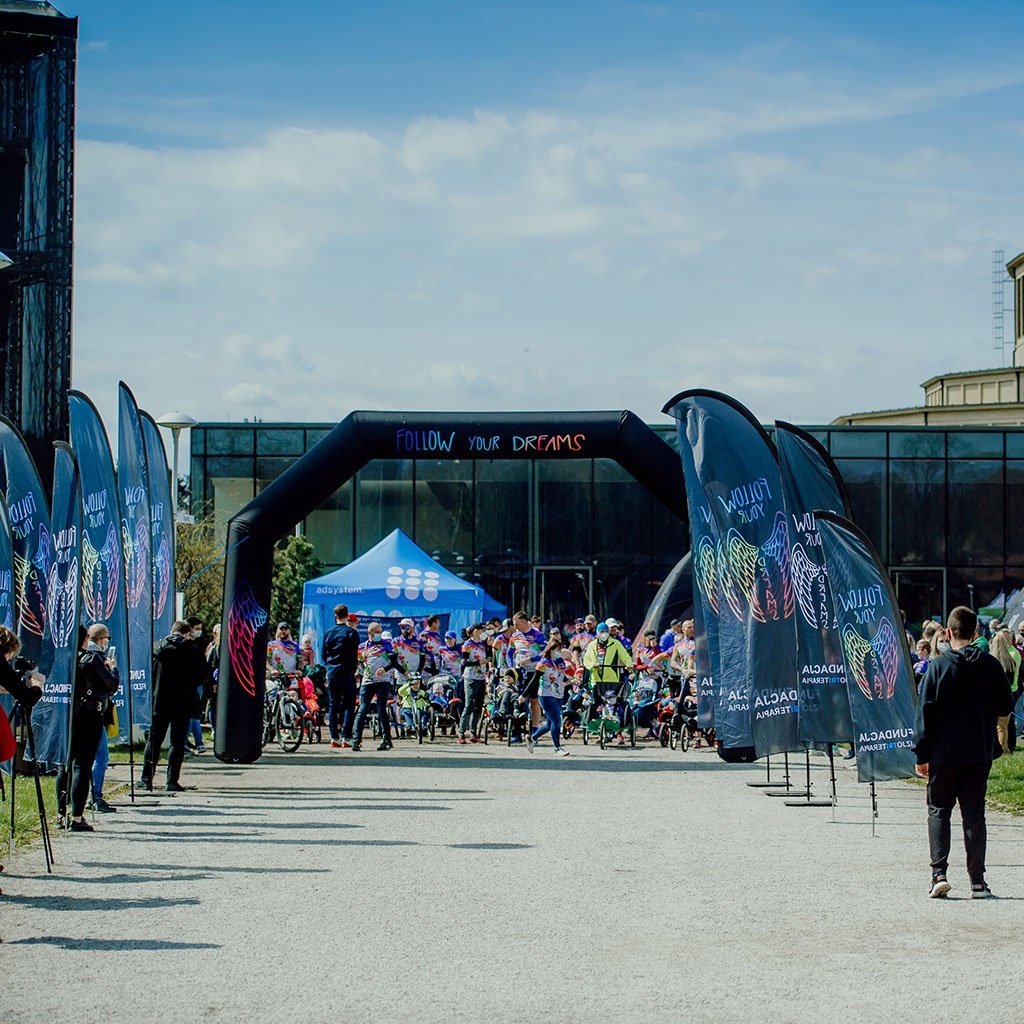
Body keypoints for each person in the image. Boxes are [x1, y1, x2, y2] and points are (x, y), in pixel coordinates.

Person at [913, 606, 1014, 899]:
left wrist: (921, 754)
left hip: (944, 752)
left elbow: (924, 713)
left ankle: (939, 874)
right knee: (974, 814)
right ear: (975, 632)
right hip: (978, 750)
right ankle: (978, 881)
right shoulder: (990, 665)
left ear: (947, 633)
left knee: (939, 810)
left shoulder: (938, 667)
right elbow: (1005, 705)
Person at [58, 624, 120, 830]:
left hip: (66, 715)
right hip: (89, 715)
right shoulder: (92, 659)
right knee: (82, 766)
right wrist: (113, 668)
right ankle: (76, 818)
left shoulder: (62, 657)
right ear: (85, 638)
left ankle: (61, 814)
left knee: (64, 765)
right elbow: (112, 685)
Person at [142, 620, 211, 792]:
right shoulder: (192, 650)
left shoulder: (158, 648)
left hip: (160, 700)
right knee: (177, 742)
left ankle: (146, 780)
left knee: (154, 741)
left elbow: (149, 672)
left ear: (172, 631)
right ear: (187, 633)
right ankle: (172, 781)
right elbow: (203, 674)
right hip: (183, 701)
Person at [85, 623, 120, 812]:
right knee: (101, 755)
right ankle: (96, 795)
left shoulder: (81, 655)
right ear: (101, 640)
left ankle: (79, 798)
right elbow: (111, 685)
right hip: (94, 711)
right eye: (107, 639)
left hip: (81, 712)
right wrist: (113, 669)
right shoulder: (96, 658)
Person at [353, 623, 401, 751]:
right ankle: (356, 740)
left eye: (381, 631)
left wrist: (384, 669)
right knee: (363, 709)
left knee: (381, 709)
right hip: (368, 681)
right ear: (370, 633)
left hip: (383, 681)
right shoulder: (362, 647)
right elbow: (359, 663)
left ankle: (387, 740)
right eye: (377, 632)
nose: (379, 634)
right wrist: (363, 670)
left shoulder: (387, 644)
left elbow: (394, 662)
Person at [321, 604, 360, 749]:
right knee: (349, 704)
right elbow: (355, 654)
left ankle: (334, 737)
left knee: (333, 704)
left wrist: (329, 666)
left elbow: (323, 655)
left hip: (333, 671)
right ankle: (346, 737)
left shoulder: (328, 633)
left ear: (335, 616)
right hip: (347, 672)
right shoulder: (352, 633)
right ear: (347, 615)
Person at [528, 633, 570, 755]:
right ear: (551, 650)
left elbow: (562, 677)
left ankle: (532, 738)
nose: (560, 652)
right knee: (557, 721)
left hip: (558, 694)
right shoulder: (543, 663)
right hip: (546, 694)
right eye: (558, 650)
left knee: (550, 724)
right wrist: (523, 695)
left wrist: (571, 680)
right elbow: (534, 680)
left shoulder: (560, 662)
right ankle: (557, 748)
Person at [458, 622, 489, 744]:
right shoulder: (468, 644)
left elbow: (488, 657)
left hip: (481, 677)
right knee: (469, 705)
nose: (483, 632)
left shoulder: (482, 644)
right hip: (471, 677)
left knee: (478, 706)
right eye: (482, 630)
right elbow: (464, 662)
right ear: (475, 630)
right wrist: (478, 663)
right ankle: (461, 733)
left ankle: (473, 733)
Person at [184, 615, 207, 754]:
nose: (199, 632)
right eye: (197, 629)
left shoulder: (198, 644)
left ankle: (196, 742)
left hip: (198, 683)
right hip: (190, 684)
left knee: (194, 714)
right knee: (191, 715)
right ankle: (195, 742)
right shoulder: (186, 646)